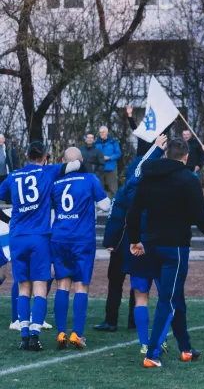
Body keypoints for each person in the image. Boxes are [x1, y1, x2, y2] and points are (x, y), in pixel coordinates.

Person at [127, 138, 204, 368]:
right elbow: (201, 216)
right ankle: (152, 353)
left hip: (152, 245)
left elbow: (133, 213)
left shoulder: (148, 177)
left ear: (164, 155)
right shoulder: (187, 179)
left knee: (175, 296)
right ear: (185, 158)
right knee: (169, 299)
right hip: (176, 247)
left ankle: (185, 348)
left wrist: (135, 240)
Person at [0, 142, 82, 351]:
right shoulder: (48, 171)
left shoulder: (13, 176)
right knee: (39, 287)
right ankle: (35, 335)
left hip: (17, 236)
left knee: (22, 287)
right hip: (39, 237)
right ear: (45, 157)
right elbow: (75, 164)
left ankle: (24, 335)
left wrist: (7, 220)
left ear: (26, 155)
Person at [104, 135, 170, 354]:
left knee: (141, 295)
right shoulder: (170, 186)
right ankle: (159, 339)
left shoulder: (129, 189)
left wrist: (112, 240)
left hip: (137, 246)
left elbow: (117, 215)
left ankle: (144, 342)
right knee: (167, 297)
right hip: (162, 247)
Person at [51, 147, 111, 350]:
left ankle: (61, 332)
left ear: (63, 161)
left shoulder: (55, 182)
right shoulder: (90, 179)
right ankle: (77, 333)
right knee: (81, 286)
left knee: (62, 285)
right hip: (82, 239)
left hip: (59, 238)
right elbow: (105, 205)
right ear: (82, 160)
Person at [95, 126, 122, 198]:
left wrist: (110, 158)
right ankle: (100, 207)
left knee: (113, 189)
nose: (101, 134)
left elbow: (118, 154)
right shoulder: (96, 143)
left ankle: (114, 206)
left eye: (103, 132)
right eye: (100, 132)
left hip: (111, 168)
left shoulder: (113, 142)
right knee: (99, 189)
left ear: (107, 132)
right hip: (100, 168)